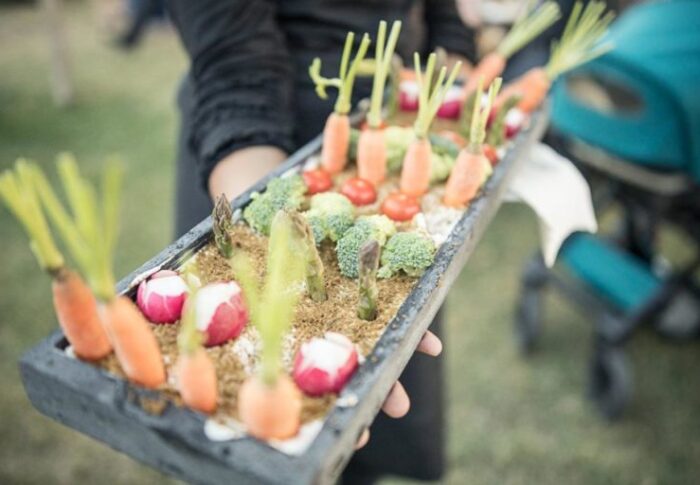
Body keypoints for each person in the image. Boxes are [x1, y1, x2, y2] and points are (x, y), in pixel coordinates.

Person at [166, 1, 477, 482]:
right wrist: (281, 236)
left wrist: (454, 56)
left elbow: (440, 14)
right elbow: (235, 65)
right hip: (263, 152)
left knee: (363, 418)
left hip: (389, 135)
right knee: (253, 437)